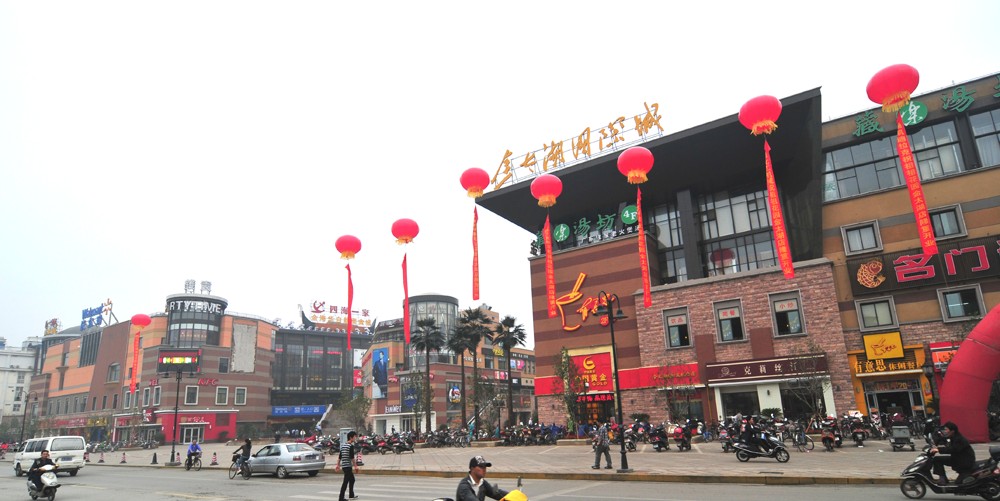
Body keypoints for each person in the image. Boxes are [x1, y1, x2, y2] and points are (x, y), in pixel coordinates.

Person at [930, 421, 976, 485]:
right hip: (957, 459)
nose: (945, 431)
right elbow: (942, 440)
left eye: (946, 429)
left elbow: (953, 449)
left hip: (964, 462)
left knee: (958, 484)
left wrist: (938, 449)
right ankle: (942, 479)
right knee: (937, 459)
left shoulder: (959, 439)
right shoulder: (952, 437)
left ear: (952, 431)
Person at [335, 431, 359, 501]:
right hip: (348, 466)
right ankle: (341, 498)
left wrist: (338, 465)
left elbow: (340, 457)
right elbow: (352, 458)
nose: (355, 438)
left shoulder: (343, 446)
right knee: (345, 482)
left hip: (344, 466)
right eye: (354, 437)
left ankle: (351, 495)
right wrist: (356, 466)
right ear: (351, 438)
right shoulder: (350, 446)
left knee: (352, 480)